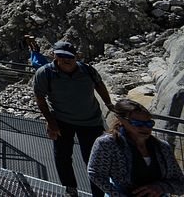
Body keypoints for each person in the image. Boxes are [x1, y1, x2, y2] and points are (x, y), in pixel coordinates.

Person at [34, 40, 116, 195]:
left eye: (70, 56)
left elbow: (99, 85)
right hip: (62, 121)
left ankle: (97, 193)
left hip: (91, 121)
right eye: (62, 56)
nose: (67, 59)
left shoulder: (88, 71)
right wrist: (51, 122)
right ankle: (70, 189)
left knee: (94, 160)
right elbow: (40, 97)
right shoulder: (46, 73)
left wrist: (109, 104)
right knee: (63, 157)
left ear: (76, 56)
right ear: (55, 56)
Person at [88, 98, 184, 197]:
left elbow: (180, 183)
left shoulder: (163, 147)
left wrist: (161, 187)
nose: (145, 128)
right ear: (121, 121)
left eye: (149, 123)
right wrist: (117, 194)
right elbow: (95, 173)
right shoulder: (107, 144)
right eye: (138, 124)